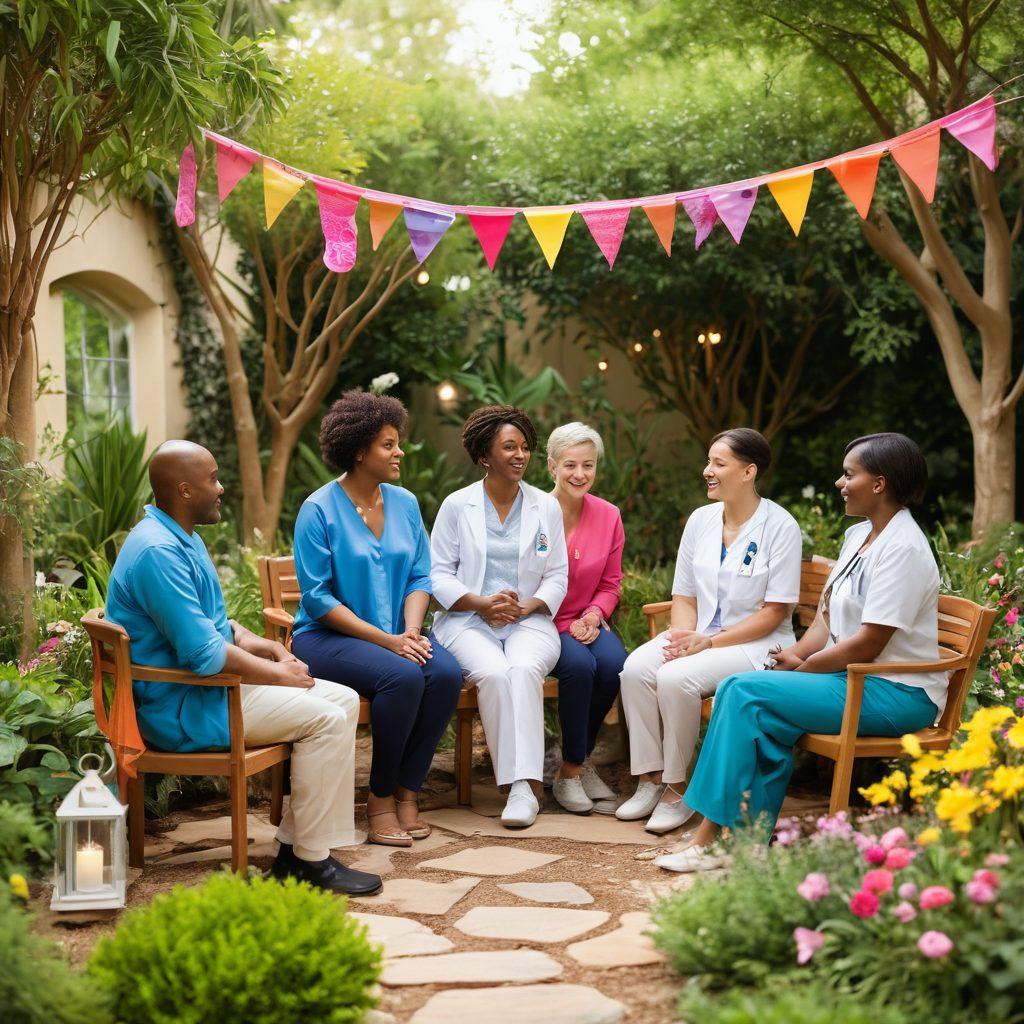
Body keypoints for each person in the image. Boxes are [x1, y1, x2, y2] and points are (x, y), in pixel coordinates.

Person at [657, 433, 943, 872]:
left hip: (896, 692)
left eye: (850, 474)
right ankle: (750, 843)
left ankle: (708, 840)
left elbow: (869, 642)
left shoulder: (903, 548)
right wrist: (800, 654)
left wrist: (804, 668)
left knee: (742, 692)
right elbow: (828, 618)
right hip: (854, 680)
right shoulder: (860, 535)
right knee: (763, 713)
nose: (839, 483)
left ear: (880, 484)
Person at [105, 441, 381, 896]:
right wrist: (278, 674)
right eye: (212, 478)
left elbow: (218, 626)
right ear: (183, 490)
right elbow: (203, 655)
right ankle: (311, 864)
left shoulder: (180, 535)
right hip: (184, 707)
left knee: (344, 698)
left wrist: (264, 647)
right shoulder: (158, 552)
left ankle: (299, 849)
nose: (221, 487)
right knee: (325, 719)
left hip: (209, 691)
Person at [290, 391, 463, 848]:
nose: (399, 451)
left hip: (395, 635)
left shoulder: (404, 503)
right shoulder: (318, 510)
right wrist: (388, 642)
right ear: (359, 450)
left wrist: (408, 631)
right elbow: (318, 598)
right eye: (388, 444)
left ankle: (409, 790)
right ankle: (380, 799)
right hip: (326, 637)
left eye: (397, 442)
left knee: (444, 673)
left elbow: (420, 575)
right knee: (404, 678)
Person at [617, 428, 802, 834]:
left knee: (675, 678)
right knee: (635, 670)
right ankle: (649, 778)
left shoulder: (780, 526)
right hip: (699, 633)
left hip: (757, 643)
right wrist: (683, 638)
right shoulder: (701, 520)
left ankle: (678, 789)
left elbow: (774, 613)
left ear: (749, 471)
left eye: (719, 464)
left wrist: (707, 643)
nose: (707, 471)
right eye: (709, 461)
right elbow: (683, 594)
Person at [430, 405, 568, 828]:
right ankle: (517, 785)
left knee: (523, 669)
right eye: (509, 447)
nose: (520, 455)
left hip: (528, 620)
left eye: (525, 447)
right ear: (485, 455)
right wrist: (480, 603)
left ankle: (523, 787)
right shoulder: (457, 506)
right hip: (469, 620)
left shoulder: (546, 506)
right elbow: (437, 574)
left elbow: (558, 573)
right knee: (493, 673)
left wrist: (528, 605)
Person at [545, 422, 626, 814]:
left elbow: (611, 582)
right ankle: (573, 769)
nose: (580, 474)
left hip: (587, 618)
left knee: (614, 665)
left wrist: (594, 615)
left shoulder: (609, 516)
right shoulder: (534, 513)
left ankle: (575, 762)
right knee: (579, 668)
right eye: (570, 465)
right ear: (552, 467)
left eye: (588, 465)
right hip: (542, 620)